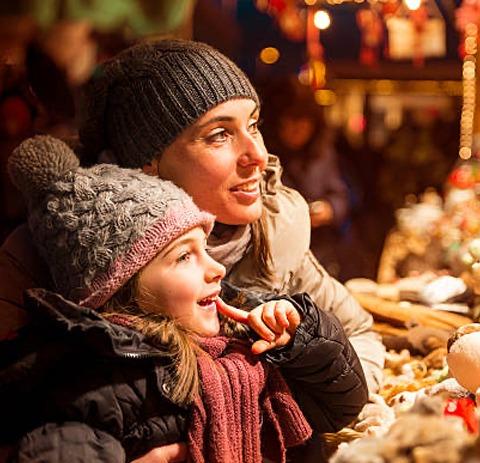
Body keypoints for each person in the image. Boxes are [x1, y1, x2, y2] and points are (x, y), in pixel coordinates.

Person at [0, 39, 384, 393]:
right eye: (219, 134)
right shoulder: (53, 250)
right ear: (147, 163)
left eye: (253, 125)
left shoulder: (271, 234)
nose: (259, 156)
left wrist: (316, 411)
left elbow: (359, 334)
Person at [0, 136, 367, 462]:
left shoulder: (238, 347)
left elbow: (340, 407)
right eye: (184, 256)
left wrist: (301, 340)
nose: (216, 270)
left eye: (204, 248)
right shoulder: (91, 385)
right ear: (121, 286)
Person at [259, 76, 352, 278]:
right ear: (278, 121)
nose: (298, 129)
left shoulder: (322, 154)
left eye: (305, 121)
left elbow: (340, 196)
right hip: (274, 256)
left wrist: (330, 210)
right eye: (291, 120)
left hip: (320, 253)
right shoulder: (262, 157)